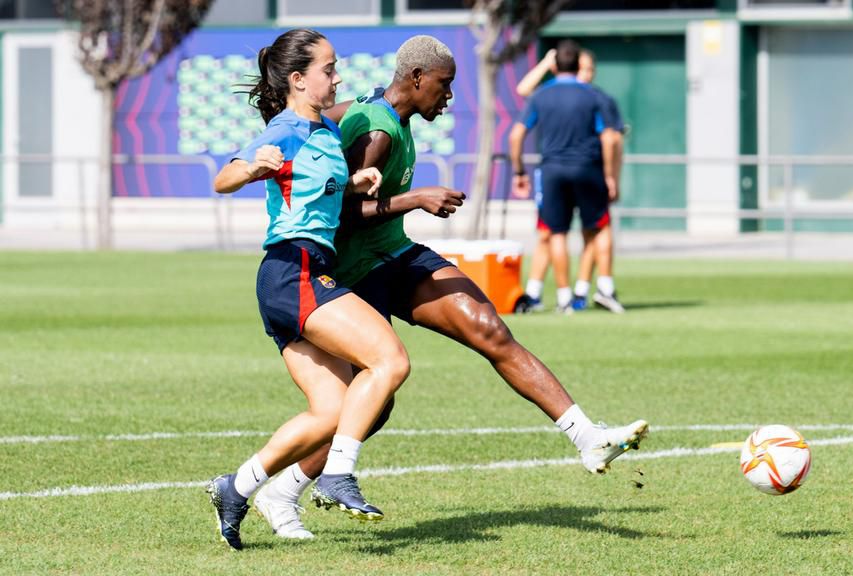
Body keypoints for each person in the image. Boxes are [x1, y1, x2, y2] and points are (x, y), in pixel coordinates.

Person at [250, 35, 649, 541]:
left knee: (487, 327)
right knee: (370, 405)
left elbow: (347, 112)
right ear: (417, 79)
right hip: (352, 273)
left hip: (393, 254)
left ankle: (588, 437)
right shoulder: (377, 133)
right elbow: (341, 213)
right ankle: (280, 491)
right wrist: (415, 198)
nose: (448, 96)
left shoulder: (385, 113)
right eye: (444, 84)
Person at [206, 28, 408, 550]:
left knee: (332, 411)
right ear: (298, 80)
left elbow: (319, 192)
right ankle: (338, 473)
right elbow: (223, 178)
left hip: (297, 276)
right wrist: (252, 167)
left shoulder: (323, 133)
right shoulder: (289, 128)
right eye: (328, 69)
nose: (337, 77)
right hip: (292, 271)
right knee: (388, 362)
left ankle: (238, 486)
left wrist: (355, 183)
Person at [509, 40, 622, 315]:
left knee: (555, 233)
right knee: (599, 228)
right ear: (580, 67)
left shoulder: (542, 96)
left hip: (552, 170)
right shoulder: (596, 96)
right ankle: (603, 288)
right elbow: (610, 139)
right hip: (588, 167)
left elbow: (516, 135)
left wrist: (519, 172)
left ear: (555, 65)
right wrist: (610, 175)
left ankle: (564, 298)